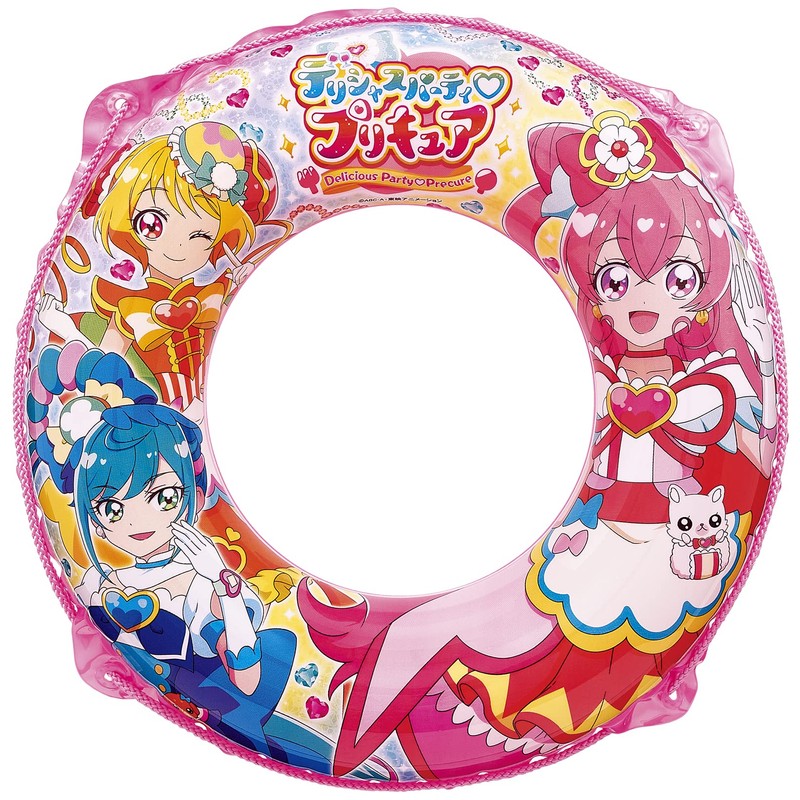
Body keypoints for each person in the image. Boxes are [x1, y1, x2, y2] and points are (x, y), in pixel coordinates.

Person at [36, 121, 290, 421]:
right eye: (153, 223)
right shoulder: (132, 307)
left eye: (201, 236)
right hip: (153, 417)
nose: (178, 247)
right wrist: (65, 328)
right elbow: (104, 370)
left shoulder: (212, 294)